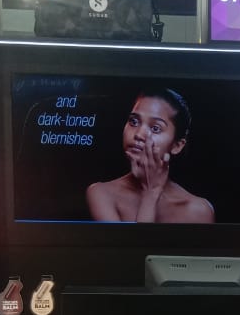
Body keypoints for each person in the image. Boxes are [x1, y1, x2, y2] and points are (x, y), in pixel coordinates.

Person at [86, 87, 214, 223]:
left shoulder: (198, 211)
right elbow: (138, 238)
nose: (139, 135)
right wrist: (151, 193)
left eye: (155, 128)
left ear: (177, 145)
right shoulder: (101, 193)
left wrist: (152, 190)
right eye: (134, 122)